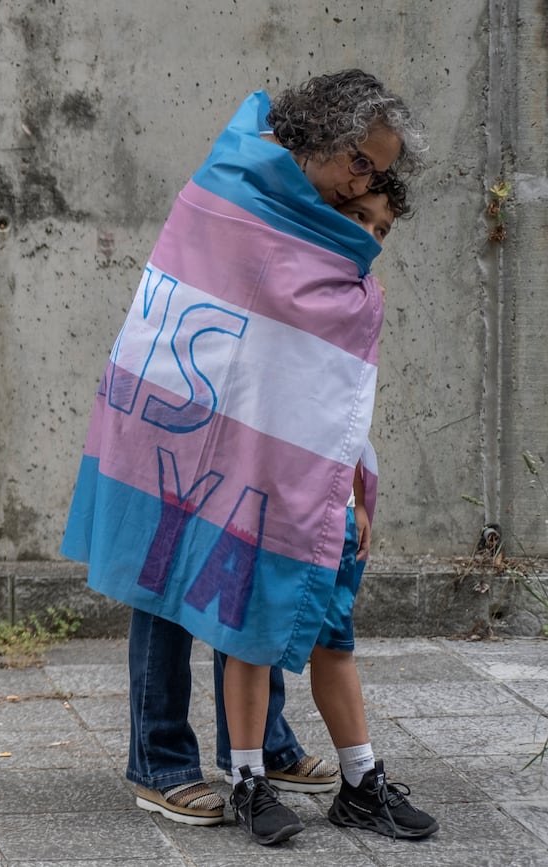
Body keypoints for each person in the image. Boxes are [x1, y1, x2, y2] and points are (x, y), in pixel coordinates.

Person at [59, 69, 428, 837]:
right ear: (323, 135)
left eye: (380, 171)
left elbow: (310, 357)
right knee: (167, 573)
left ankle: (262, 746)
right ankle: (159, 760)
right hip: (179, 412)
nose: (368, 179)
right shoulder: (234, 182)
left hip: (263, 425)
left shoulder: (332, 218)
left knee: (262, 554)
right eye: (362, 160)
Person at [224, 170, 438, 845]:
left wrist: (353, 493)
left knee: (334, 640)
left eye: (381, 230)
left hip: (328, 501)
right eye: (361, 219)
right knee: (251, 640)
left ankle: (359, 781)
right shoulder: (278, 282)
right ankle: (247, 780)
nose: (369, 237)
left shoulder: (359, 299)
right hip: (264, 491)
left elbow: (346, 406)